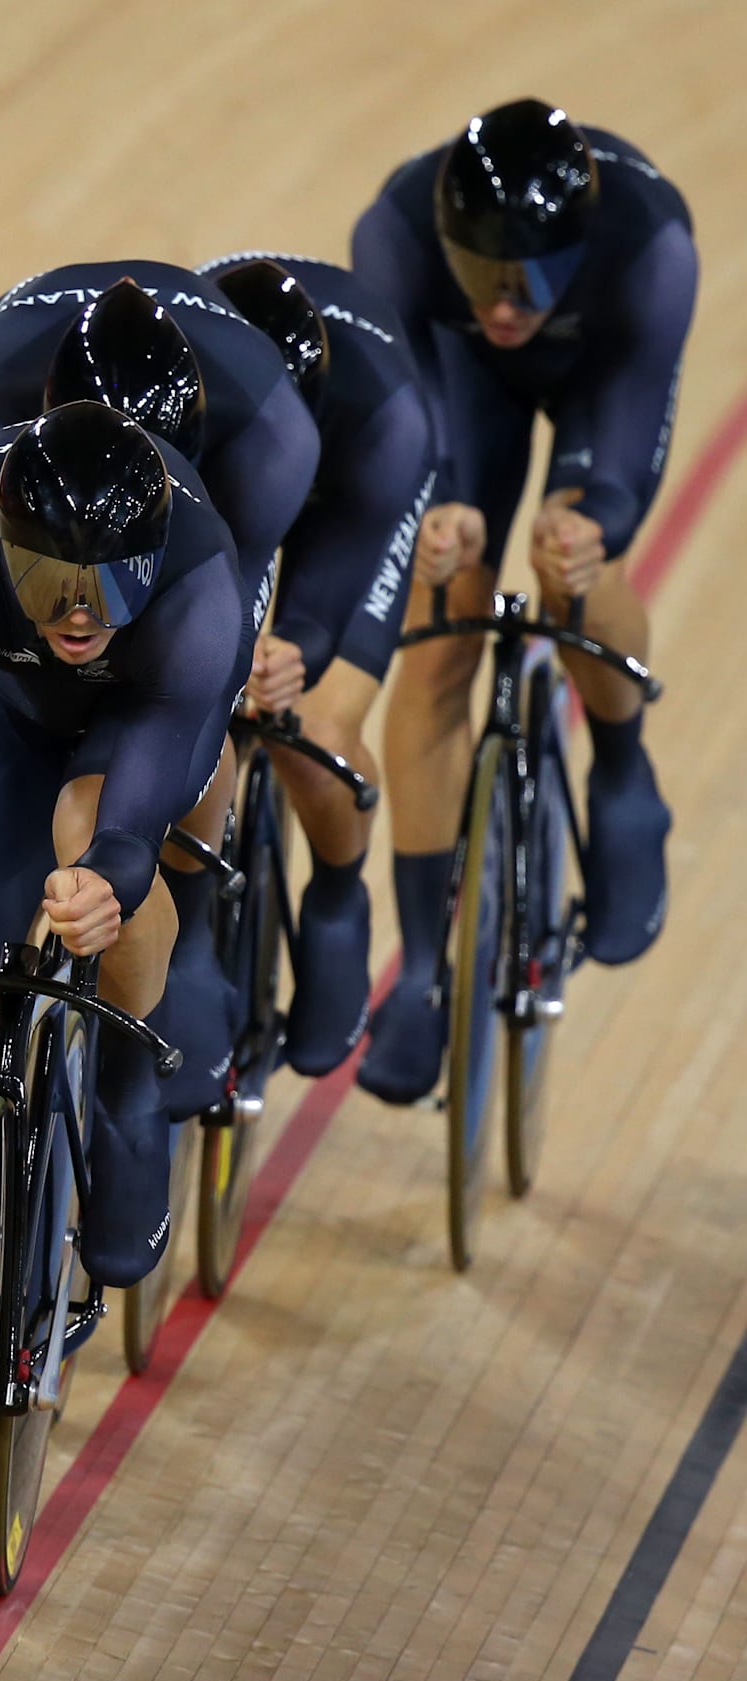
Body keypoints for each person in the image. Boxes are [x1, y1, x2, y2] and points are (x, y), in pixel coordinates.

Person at [0, 400, 251, 1541]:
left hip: (134, 734)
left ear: (150, 563)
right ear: (6, 547)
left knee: (92, 839)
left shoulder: (205, 578)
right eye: (51, 579)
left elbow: (148, 783)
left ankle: (126, 1082)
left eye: (106, 583)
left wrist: (113, 873)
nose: (78, 612)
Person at [350, 97, 698, 1104]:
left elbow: (625, 458)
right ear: (447, 244)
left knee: (571, 559)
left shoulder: (650, 248)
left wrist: (600, 523)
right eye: (484, 275)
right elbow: (408, 421)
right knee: (444, 619)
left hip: (600, 382)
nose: (507, 305)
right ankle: (421, 966)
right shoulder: (395, 236)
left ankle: (625, 775)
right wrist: (442, 506)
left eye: (534, 278)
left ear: (577, 251)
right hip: (463, 390)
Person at [0, 262, 321, 1108]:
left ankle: (195, 924)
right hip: (40, 521)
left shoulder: (269, 442)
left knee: (201, 688)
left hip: (208, 542)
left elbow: (201, 669)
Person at [196, 251, 435, 1075]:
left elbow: (323, 609)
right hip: (210, 472)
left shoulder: (384, 421)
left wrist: (290, 648)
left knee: (314, 730)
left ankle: (337, 896)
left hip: (352, 503)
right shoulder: (176, 374)